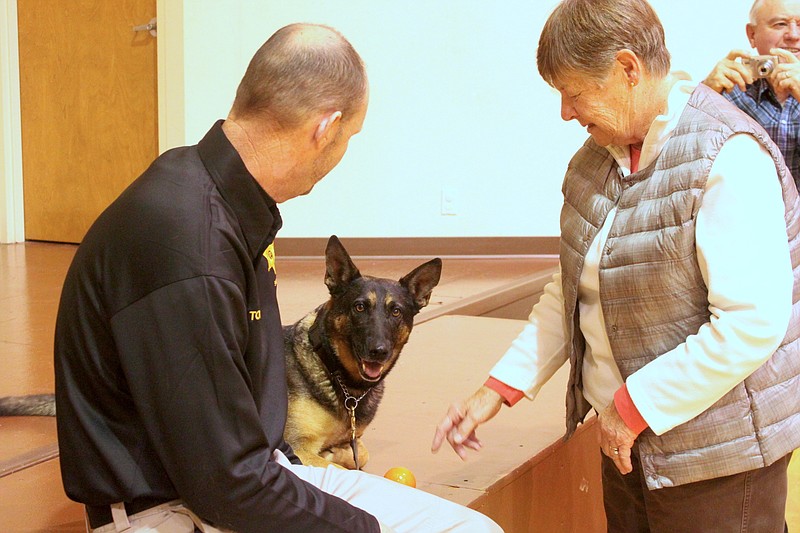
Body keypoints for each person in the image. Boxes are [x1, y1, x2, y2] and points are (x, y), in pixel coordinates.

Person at [54, 23, 502, 533]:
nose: (342, 151)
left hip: (255, 474)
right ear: (325, 128)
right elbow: (224, 485)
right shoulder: (189, 243)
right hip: (167, 509)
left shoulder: (227, 200)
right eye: (349, 137)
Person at [431, 0, 800, 531]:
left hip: (716, 459)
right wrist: (497, 390)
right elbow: (572, 291)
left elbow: (749, 325)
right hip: (628, 444)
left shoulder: (728, 154)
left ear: (628, 69)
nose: (565, 111)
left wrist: (632, 409)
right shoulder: (593, 160)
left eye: (574, 93)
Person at [703, 0, 800, 189]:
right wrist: (706, 94)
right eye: (780, 24)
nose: (793, 35)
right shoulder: (731, 89)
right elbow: (677, 155)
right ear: (752, 34)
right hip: (746, 213)